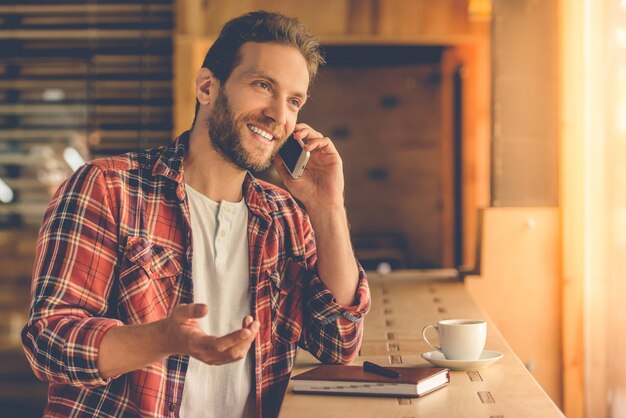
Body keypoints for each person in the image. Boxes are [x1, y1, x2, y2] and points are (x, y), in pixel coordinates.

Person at [21, 10, 370, 418]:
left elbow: (339, 343)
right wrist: (165, 338)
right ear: (207, 87)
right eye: (262, 85)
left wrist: (327, 206)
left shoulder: (285, 217)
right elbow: (49, 345)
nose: (279, 115)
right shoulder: (107, 188)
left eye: (294, 100)